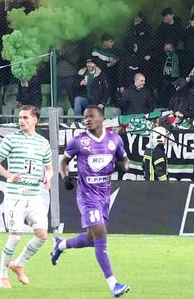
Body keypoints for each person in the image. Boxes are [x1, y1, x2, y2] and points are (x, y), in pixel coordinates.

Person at [51, 104, 130, 297]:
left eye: (91, 116)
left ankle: (60, 245)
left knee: (92, 239)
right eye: (85, 117)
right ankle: (113, 284)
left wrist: (123, 167)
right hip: (87, 196)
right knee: (101, 234)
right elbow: (63, 161)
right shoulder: (78, 141)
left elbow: (125, 161)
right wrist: (64, 177)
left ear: (102, 118)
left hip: (104, 196)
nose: (87, 120)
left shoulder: (114, 139)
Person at [0, 104, 54, 290]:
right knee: (15, 237)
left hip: (35, 196)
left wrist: (48, 178)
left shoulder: (43, 143)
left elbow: (49, 168)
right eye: (20, 117)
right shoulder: (11, 139)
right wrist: (9, 175)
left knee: (42, 235)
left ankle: (18, 264)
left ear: (35, 120)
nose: (21, 121)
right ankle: (2, 276)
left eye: (25, 117)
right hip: (16, 196)